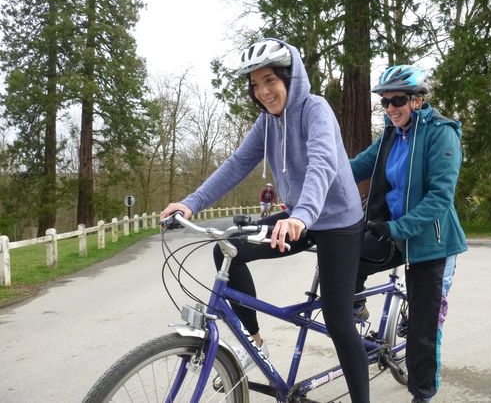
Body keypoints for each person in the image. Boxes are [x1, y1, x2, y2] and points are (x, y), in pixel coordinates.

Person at [160, 38, 369, 402]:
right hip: (299, 215)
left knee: (338, 321)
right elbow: (237, 163)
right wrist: (191, 203)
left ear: (290, 77)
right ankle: (254, 342)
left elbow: (322, 163)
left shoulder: (315, 109)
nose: (263, 92)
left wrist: (301, 216)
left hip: (337, 220)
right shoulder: (267, 122)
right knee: (229, 252)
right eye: (255, 85)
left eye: (270, 80)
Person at [349, 65, 467, 403]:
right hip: (397, 233)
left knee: (422, 330)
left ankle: (422, 394)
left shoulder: (440, 133)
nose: (390, 108)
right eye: (384, 102)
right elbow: (356, 166)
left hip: (433, 243)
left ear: (417, 99)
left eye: (397, 100)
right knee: (348, 252)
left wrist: (397, 228)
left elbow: (440, 198)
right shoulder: (390, 133)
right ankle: (356, 307)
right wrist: (318, 178)